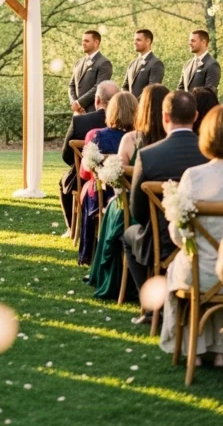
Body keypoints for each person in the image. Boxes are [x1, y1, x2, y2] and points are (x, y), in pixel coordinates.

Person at [122, 91, 208, 323]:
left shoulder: (149, 155)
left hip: (162, 244)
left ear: (165, 117)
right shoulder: (210, 155)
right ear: (196, 116)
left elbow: (138, 212)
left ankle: (152, 309)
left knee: (129, 236)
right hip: (208, 243)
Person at [88, 84, 168, 300]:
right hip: (168, 211)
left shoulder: (131, 140)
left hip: (134, 211)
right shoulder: (172, 144)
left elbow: (119, 183)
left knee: (116, 206)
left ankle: (120, 282)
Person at [160, 105, 223, 364]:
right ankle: (220, 349)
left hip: (199, 275)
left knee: (178, 265)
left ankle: (192, 348)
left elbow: (178, 233)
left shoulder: (194, 176)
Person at [78, 91, 138, 266]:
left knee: (90, 191)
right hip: (133, 195)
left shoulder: (100, 136)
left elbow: (85, 172)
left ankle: (87, 253)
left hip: (104, 195)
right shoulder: (138, 138)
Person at [59, 80, 120, 232]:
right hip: (121, 179)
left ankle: (72, 228)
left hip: (85, 177)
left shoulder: (80, 122)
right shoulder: (128, 123)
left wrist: (82, 167)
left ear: (97, 100)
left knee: (64, 182)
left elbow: (66, 155)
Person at [68, 30, 113, 113]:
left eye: (87, 41)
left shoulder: (104, 63)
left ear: (96, 42)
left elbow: (99, 87)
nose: (83, 43)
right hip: (77, 112)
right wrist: (74, 102)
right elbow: (71, 85)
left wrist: (80, 103)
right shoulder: (79, 62)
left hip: (93, 112)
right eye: (82, 41)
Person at [122, 29, 165, 98]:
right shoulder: (132, 64)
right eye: (134, 40)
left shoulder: (156, 63)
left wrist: (135, 104)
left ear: (148, 41)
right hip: (129, 107)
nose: (134, 42)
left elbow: (151, 91)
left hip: (145, 107)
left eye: (138, 40)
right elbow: (125, 87)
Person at [177, 30, 221, 95]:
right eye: (189, 40)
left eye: (193, 41)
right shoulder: (187, 64)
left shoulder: (212, 65)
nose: (189, 43)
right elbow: (180, 88)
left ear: (203, 42)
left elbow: (210, 93)